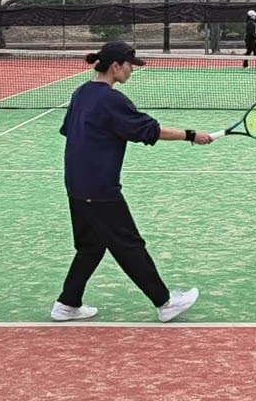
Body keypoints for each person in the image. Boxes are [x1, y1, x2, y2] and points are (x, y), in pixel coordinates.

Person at [52, 40, 213, 323]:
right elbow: (150, 131)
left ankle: (67, 304)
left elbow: (72, 131)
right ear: (115, 66)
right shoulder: (111, 99)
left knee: (90, 247)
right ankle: (165, 303)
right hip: (99, 187)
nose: (132, 71)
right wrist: (191, 135)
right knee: (129, 245)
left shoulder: (81, 93)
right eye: (129, 66)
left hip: (76, 184)